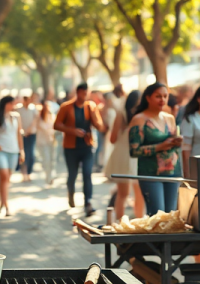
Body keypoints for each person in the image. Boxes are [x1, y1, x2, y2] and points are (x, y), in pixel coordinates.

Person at [128, 83, 183, 215]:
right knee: (158, 216)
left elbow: (173, 144)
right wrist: (161, 146)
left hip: (173, 173)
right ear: (148, 98)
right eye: (158, 96)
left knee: (171, 216)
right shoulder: (139, 120)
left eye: (165, 96)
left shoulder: (169, 118)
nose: (162, 100)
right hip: (150, 174)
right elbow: (134, 151)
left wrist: (177, 142)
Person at [54, 83, 105, 216]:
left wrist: (96, 118)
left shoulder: (91, 107)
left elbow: (100, 126)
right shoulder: (66, 107)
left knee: (87, 174)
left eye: (86, 93)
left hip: (87, 146)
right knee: (73, 174)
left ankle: (88, 202)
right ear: (78, 92)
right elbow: (56, 125)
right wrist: (72, 131)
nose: (84, 95)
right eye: (82, 92)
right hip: (70, 147)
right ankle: (71, 193)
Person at [104, 90, 144, 219]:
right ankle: (137, 221)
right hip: (135, 156)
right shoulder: (142, 116)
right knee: (136, 193)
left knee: (124, 193)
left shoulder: (122, 114)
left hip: (124, 155)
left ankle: (121, 223)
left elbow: (112, 139)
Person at [0, 96, 24, 216]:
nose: (14, 105)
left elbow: (19, 134)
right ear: (6, 104)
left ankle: (2, 203)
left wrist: (21, 150)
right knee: (4, 175)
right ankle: (6, 205)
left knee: (6, 179)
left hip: (13, 150)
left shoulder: (16, 117)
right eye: (12, 103)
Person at [16, 95, 39, 182]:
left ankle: (29, 172)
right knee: (23, 154)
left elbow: (35, 120)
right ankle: (24, 173)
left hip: (31, 133)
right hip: (22, 134)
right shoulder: (19, 109)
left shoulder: (33, 109)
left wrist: (29, 129)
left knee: (31, 154)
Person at [36, 100, 57, 185]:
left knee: (52, 160)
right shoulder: (39, 117)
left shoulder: (52, 116)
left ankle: (50, 176)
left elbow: (54, 128)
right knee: (46, 160)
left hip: (51, 141)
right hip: (42, 142)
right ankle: (48, 176)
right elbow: (41, 127)